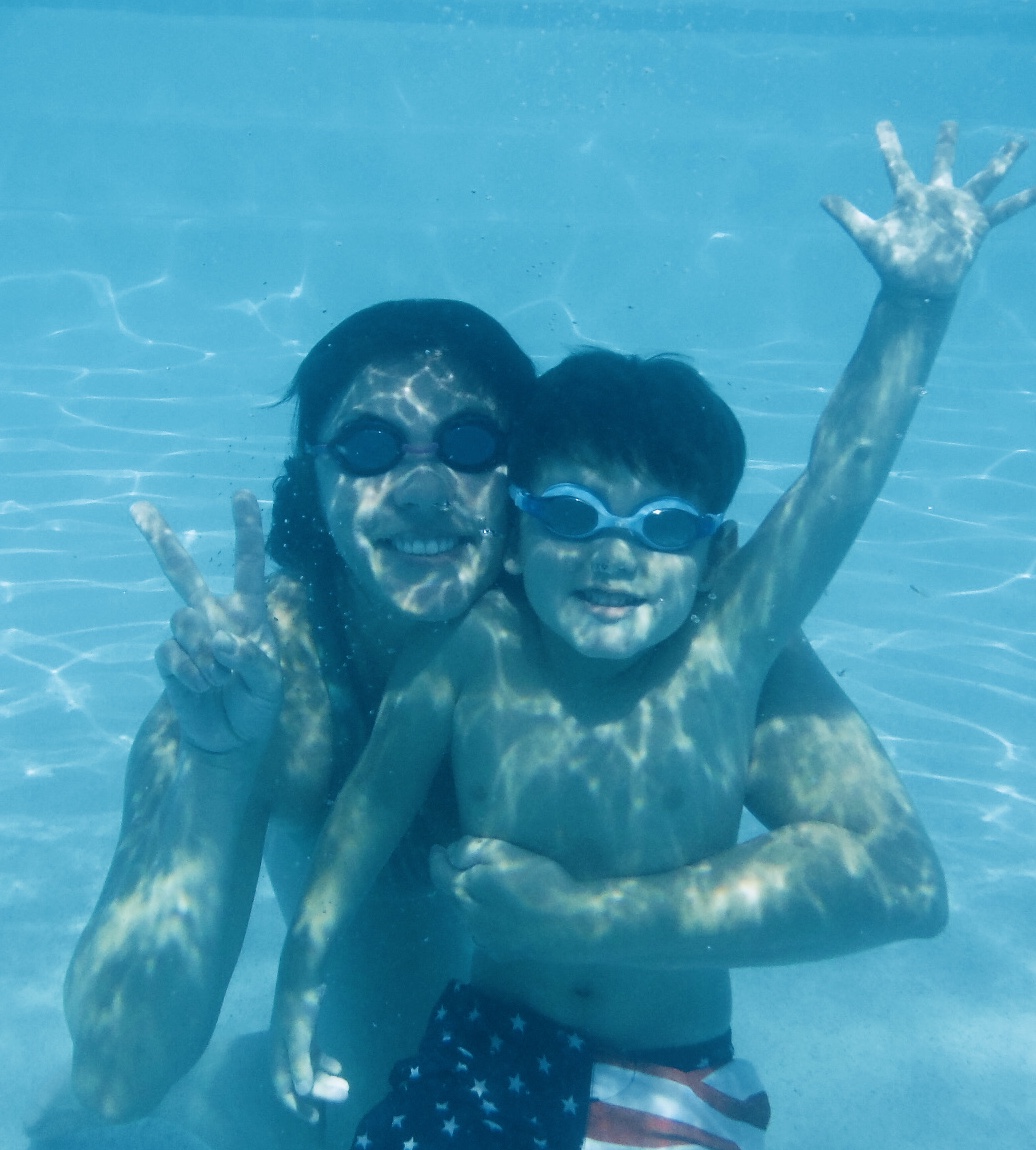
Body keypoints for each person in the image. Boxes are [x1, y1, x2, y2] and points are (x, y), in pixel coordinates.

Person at [55, 116, 964, 1147]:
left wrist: (589, 913)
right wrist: (221, 762)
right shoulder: (256, 681)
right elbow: (118, 1076)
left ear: (526, 482)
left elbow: (898, 883)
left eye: (474, 442)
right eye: (365, 444)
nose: (427, 485)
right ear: (311, 478)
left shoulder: (676, 633)